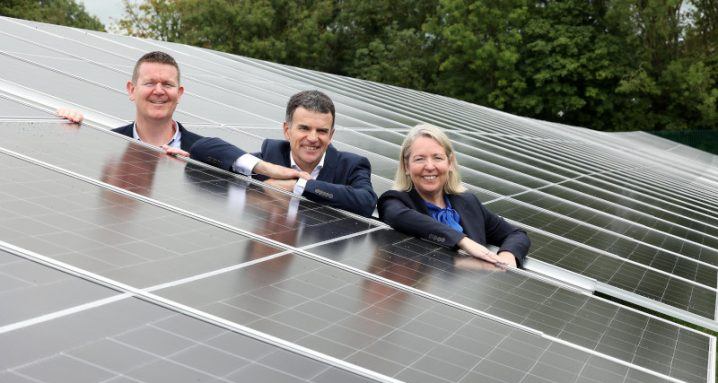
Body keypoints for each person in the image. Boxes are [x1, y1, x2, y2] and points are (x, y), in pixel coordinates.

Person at [189, 90, 377, 217]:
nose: (312, 138)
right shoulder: (270, 158)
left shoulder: (351, 165)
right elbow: (202, 147)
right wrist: (267, 168)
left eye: (322, 131)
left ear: (331, 135)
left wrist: (299, 186)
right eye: (304, 128)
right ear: (287, 130)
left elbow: (367, 202)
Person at [378, 123, 530, 268]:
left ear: (450, 163)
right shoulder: (395, 201)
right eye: (420, 159)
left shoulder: (467, 202)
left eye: (437, 158)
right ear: (406, 166)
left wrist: (508, 255)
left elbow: (517, 234)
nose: (430, 166)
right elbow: (398, 216)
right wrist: (462, 240)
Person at [57, 51, 203, 150]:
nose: (159, 91)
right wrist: (65, 132)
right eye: (149, 83)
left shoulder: (205, 152)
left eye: (167, 84)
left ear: (179, 93)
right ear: (132, 90)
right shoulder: (106, 146)